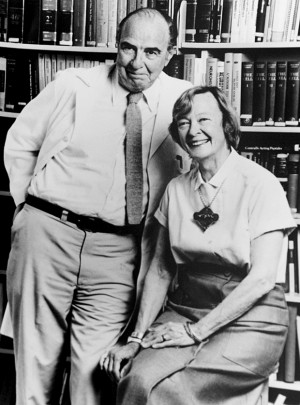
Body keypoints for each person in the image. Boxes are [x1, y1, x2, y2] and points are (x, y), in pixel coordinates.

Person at [3, 8, 192, 405]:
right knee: (36, 364)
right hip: (47, 235)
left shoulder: (182, 100)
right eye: (128, 47)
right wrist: (27, 210)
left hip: (119, 250)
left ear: (171, 53)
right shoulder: (73, 85)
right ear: (116, 46)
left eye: (152, 52)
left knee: (95, 372)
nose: (136, 62)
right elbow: (20, 143)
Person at [101, 86, 297, 405]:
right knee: (136, 379)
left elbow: (262, 278)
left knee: (170, 391)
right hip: (186, 308)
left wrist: (196, 333)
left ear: (226, 125)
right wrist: (136, 339)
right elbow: (162, 271)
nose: (194, 130)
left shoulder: (261, 183)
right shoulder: (176, 190)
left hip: (251, 316)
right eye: (183, 122)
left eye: (204, 118)